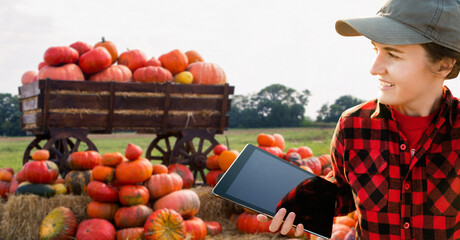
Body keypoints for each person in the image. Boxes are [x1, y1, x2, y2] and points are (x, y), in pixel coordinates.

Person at [257, 0, 460, 239]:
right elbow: (344, 189)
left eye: (393, 54)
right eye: (376, 50)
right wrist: (303, 204)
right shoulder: (352, 125)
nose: (374, 68)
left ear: (443, 65)